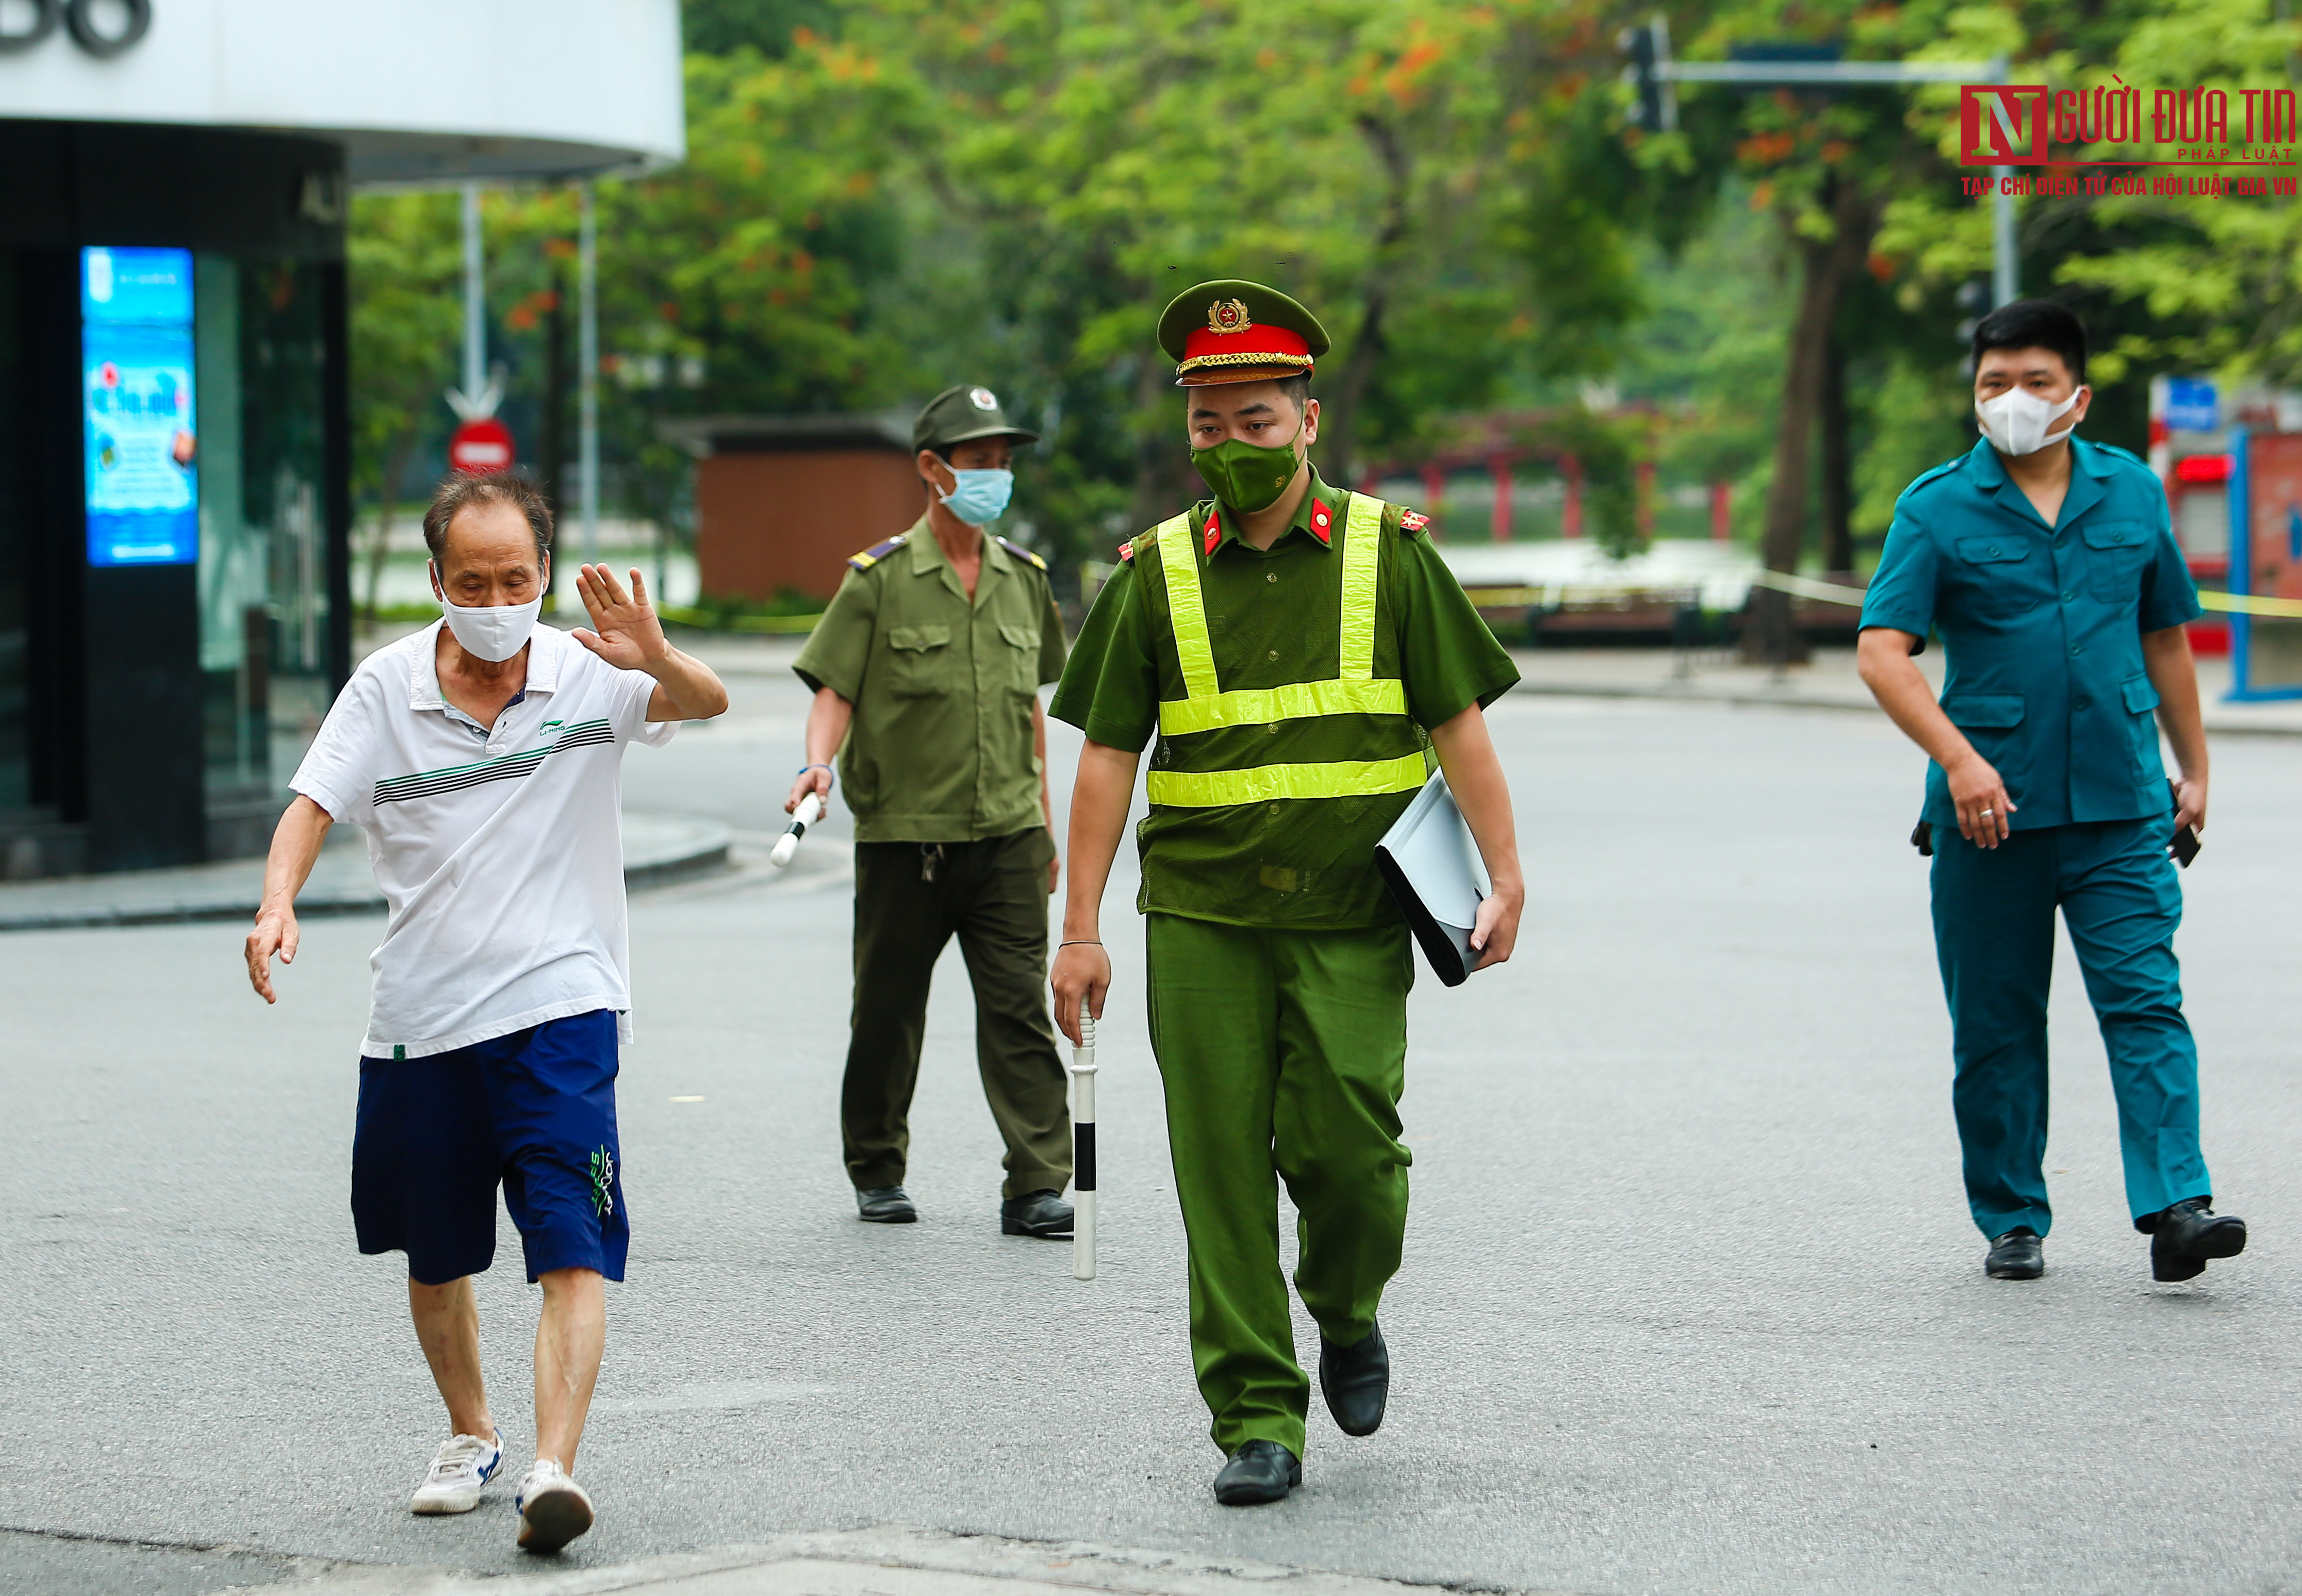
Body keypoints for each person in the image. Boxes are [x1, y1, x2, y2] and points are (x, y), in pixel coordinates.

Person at [1047, 280, 1525, 1506]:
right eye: (1207, 426)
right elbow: (1107, 756)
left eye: (1254, 422)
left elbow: (1456, 724)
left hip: (1350, 917)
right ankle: (1257, 1414)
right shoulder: (1150, 574)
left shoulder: (1389, 556)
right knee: (1217, 1170)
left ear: (1305, 421)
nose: (1231, 447)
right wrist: (1080, 927)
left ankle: (1347, 1306)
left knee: (1353, 1155)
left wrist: (1505, 872)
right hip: (1203, 918)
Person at [243, 472, 728, 1553]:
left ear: (545, 574)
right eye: (475, 580)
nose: (499, 597)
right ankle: (472, 1435)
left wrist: (652, 654)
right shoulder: (384, 688)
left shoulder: (586, 670)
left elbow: (704, 703)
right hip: (421, 1013)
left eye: (517, 577)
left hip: (564, 1001)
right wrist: (277, 901)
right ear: (437, 582)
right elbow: (311, 803)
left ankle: (555, 1468)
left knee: (570, 1243)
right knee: (435, 1255)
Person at [1855, 298, 2248, 1286]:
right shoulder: (1934, 506)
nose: (2012, 402)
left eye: (2032, 383)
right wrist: (1957, 759)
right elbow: (1882, 653)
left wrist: (2192, 767)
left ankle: (2177, 1207)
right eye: (1993, 385)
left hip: (2121, 800)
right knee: (1995, 1024)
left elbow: (2164, 634)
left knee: (2147, 1002)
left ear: (2076, 392)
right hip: (1990, 817)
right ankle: (2012, 1216)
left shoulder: (2132, 493)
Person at [787, 385, 1075, 1237]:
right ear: (931, 468)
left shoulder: (1027, 581)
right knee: (886, 1011)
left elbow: (1030, 714)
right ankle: (876, 1166)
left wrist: (1047, 825)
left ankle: (1036, 1182)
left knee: (1018, 1011)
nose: (995, 475)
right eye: (979, 461)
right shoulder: (876, 581)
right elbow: (836, 688)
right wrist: (816, 766)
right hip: (904, 841)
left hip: (1008, 838)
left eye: (1002, 461)